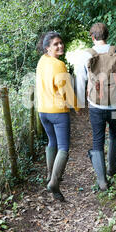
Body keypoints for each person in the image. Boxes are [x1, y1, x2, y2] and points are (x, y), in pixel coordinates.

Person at [74, 23, 116, 191]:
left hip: (96, 106)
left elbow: (80, 81)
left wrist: (78, 104)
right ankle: (112, 167)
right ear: (107, 35)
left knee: (97, 139)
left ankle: (102, 181)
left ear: (92, 37)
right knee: (114, 133)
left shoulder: (86, 55)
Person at [36, 31, 79, 201]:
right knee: (63, 148)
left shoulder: (42, 61)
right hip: (58, 112)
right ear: (47, 48)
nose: (60, 46)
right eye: (55, 44)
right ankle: (54, 182)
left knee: (51, 142)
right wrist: (76, 106)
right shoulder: (58, 65)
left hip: (43, 111)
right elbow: (66, 89)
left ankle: (49, 174)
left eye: (61, 43)